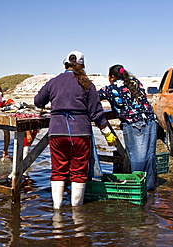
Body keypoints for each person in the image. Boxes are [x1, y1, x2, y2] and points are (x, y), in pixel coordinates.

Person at [34, 50, 117, 209]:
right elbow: (96, 113)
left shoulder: (54, 81)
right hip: (80, 133)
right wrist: (107, 133)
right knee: (78, 172)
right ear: (82, 66)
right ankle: (77, 213)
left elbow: (38, 101)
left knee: (58, 171)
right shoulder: (87, 84)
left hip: (57, 132)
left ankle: (57, 214)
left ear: (65, 64)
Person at [98, 64, 157, 191]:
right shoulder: (135, 82)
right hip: (151, 120)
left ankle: (137, 187)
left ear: (112, 76)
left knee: (137, 157)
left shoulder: (110, 89)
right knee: (149, 155)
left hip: (134, 123)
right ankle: (149, 187)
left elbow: (93, 98)